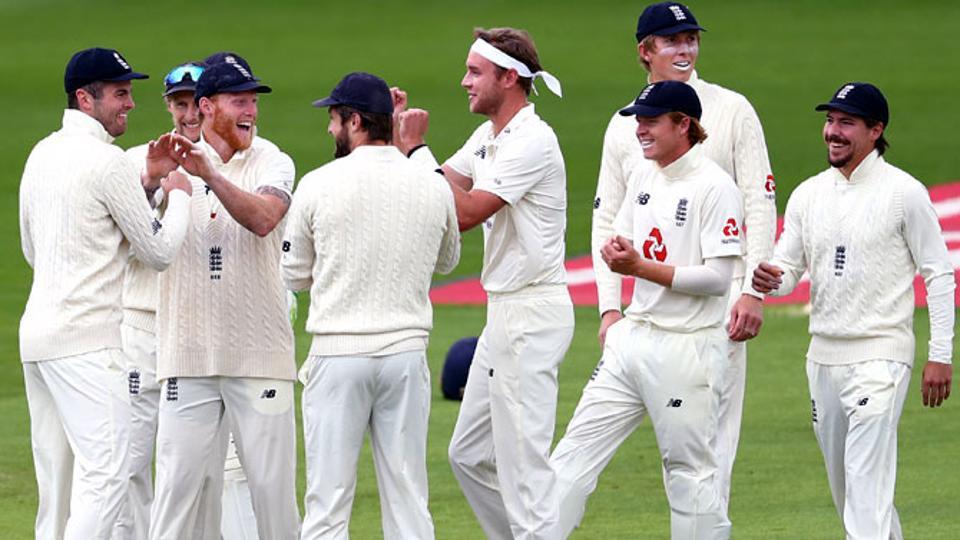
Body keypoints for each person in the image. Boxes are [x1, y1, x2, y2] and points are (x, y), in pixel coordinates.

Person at [590, 1, 777, 509]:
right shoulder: (622, 126)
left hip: (718, 311)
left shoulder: (732, 109)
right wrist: (610, 307)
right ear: (645, 51)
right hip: (647, 318)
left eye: (691, 38)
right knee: (660, 451)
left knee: (712, 449)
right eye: (672, 41)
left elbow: (759, 200)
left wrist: (752, 293)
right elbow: (606, 219)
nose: (686, 48)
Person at [752, 82, 954, 540]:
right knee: (855, 496)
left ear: (875, 130)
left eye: (846, 123)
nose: (832, 132)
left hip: (881, 359)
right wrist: (770, 281)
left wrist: (940, 353)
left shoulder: (905, 193)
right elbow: (789, 269)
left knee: (865, 494)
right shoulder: (808, 194)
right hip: (822, 359)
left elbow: (939, 275)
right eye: (830, 121)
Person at [395, 27, 574, 539]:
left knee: (525, 473)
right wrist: (394, 140)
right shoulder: (492, 135)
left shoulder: (533, 140)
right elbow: (443, 182)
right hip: (504, 316)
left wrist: (416, 150)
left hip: (533, 314)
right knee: (469, 455)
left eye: (475, 72)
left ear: (509, 78)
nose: (464, 82)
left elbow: (467, 210)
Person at [552, 80, 742, 539]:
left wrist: (641, 266)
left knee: (689, 476)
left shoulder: (715, 187)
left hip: (687, 349)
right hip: (632, 342)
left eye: (651, 121)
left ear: (684, 125)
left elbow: (718, 280)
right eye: (638, 120)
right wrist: (615, 294)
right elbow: (622, 239)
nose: (640, 129)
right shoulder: (643, 174)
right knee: (568, 461)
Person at [18, 46, 192, 539]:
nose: (131, 103)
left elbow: (35, 251)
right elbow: (157, 252)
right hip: (89, 343)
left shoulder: (41, 153)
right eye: (120, 93)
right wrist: (176, 193)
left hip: (38, 339)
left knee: (58, 481)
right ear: (85, 98)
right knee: (108, 475)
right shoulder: (108, 162)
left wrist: (148, 184)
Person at [281, 71, 460, 540]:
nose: (329, 129)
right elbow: (448, 261)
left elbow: (293, 274)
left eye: (334, 119)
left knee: (327, 503)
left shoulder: (318, 183)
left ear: (355, 121)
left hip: (338, 355)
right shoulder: (431, 181)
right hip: (405, 354)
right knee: (407, 499)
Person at [147, 54, 300, 539]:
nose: (251, 109)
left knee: (273, 499)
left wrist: (210, 175)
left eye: (254, 100)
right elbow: (133, 241)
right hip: (185, 358)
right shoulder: (166, 162)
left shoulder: (274, 160)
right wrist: (150, 182)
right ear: (207, 106)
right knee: (175, 499)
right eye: (240, 100)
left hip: (260, 358)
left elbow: (263, 220)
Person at [114, 60, 205, 540]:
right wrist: (153, 188)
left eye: (196, 103)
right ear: (168, 106)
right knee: (129, 461)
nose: (189, 115)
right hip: (140, 329)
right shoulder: (134, 161)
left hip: (194, 334)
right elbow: (122, 244)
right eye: (180, 104)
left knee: (187, 470)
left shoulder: (225, 168)